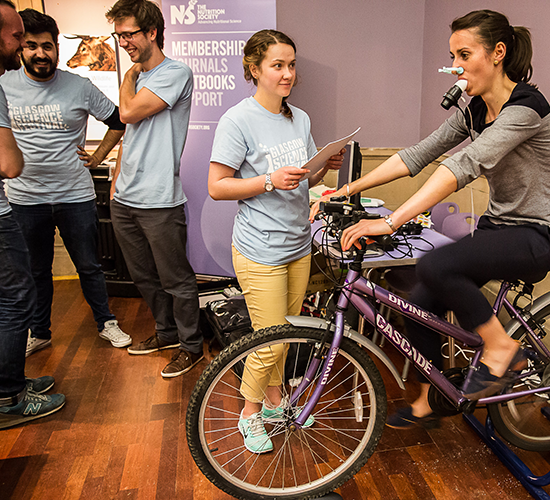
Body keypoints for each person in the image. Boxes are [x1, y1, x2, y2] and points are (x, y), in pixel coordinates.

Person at [313, 10, 550, 428]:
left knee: (435, 264)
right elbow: (418, 154)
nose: (456, 66)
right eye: (452, 56)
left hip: (539, 234)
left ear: (498, 53)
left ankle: (501, 349)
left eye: (464, 54)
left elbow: (464, 165)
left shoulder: (526, 109)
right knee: (419, 303)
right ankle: (432, 399)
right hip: (499, 228)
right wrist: (348, 189)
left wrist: (390, 221)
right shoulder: (474, 112)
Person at [208, 29, 344, 453]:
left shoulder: (298, 118)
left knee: (289, 332)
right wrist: (267, 180)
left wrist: (324, 166)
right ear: (255, 69)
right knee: (269, 338)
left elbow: (303, 180)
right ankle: (248, 414)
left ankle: (272, 403)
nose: (288, 74)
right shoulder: (238, 120)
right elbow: (217, 186)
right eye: (278, 66)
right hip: (259, 249)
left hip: (297, 245)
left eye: (292, 64)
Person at [0, 9, 131, 358]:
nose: (40, 54)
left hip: (75, 195)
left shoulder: (79, 87)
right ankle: (39, 331)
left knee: (90, 266)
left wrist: (100, 156)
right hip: (25, 199)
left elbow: (118, 120)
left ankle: (106, 322)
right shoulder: (4, 85)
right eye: (31, 46)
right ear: (21, 48)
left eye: (47, 46)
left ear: (57, 48)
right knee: (37, 271)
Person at [105, 0, 202, 378]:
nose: (124, 41)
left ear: (152, 32)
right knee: (143, 276)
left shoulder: (175, 73)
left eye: (129, 34)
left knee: (176, 279)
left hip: (160, 200)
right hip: (125, 198)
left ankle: (191, 346)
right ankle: (166, 334)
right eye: (119, 35)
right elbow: (130, 135)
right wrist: (115, 183)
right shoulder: (140, 77)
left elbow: (127, 114)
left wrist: (128, 77)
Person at [0, 0, 65, 430]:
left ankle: (13, 382)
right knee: (15, 300)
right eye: (16, 35)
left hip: (60, 195)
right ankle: (9, 396)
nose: (21, 44)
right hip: (11, 206)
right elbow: (10, 165)